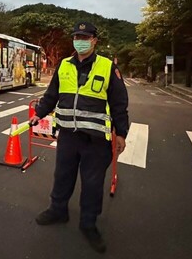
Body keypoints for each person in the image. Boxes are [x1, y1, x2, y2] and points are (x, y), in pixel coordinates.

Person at [29, 21, 129, 254]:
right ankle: (58, 210)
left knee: (92, 184)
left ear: (94, 40)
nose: (80, 40)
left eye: (85, 36)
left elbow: (119, 103)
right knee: (62, 176)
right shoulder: (64, 65)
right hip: (67, 136)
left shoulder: (107, 67)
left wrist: (122, 132)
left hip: (95, 140)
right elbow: (52, 94)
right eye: (77, 36)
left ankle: (88, 224)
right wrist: (39, 113)